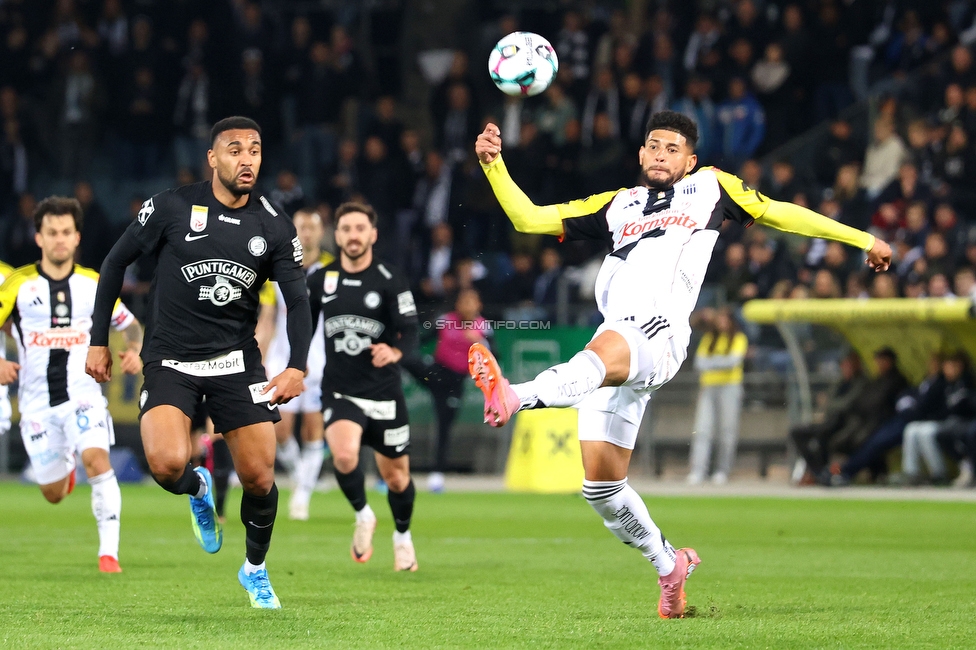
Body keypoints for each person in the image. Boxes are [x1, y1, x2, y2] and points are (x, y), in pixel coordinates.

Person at [468, 111, 892, 619]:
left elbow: (782, 214)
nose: (661, 155)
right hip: (616, 340)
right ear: (641, 153)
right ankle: (669, 564)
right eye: (654, 145)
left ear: (690, 161)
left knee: (599, 352)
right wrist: (493, 165)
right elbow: (528, 218)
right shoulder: (616, 204)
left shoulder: (710, 187)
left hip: (658, 333)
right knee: (601, 488)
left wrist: (863, 239)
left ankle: (514, 395)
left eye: (673, 149)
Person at [85, 116, 312, 609]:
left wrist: (297, 365)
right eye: (235, 149)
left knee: (260, 477)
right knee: (167, 465)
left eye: (254, 150)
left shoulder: (273, 224)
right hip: (171, 358)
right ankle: (197, 486)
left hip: (236, 363)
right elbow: (114, 263)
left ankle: (255, 570)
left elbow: (298, 301)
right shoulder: (171, 206)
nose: (247, 159)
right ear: (212, 158)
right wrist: (97, 340)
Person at [0, 196, 143, 573]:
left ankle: (108, 554)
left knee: (96, 459)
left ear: (77, 237)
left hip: (84, 395)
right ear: (39, 238)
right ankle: (62, 468)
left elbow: (130, 325)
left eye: (66, 232)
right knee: (51, 493)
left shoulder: (93, 283)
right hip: (37, 405)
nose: (59, 239)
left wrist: (133, 350)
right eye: (52, 232)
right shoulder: (18, 284)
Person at [307, 201, 421, 572]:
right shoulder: (321, 280)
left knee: (397, 478)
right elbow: (302, 326)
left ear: (373, 234)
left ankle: (402, 537)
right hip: (340, 389)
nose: (353, 236)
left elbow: (411, 331)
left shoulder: (390, 278)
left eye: (360, 229)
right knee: (343, 456)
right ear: (337, 236)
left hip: (384, 394)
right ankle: (363, 514)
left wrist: (395, 351)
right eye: (346, 229)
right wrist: (296, 363)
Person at [255, 208, 335, 520]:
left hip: (320, 358)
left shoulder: (333, 270)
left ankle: (301, 496)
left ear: (321, 232)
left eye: (312, 227)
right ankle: (302, 475)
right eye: (302, 226)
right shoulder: (277, 266)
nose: (307, 232)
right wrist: (259, 355)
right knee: (282, 429)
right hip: (282, 357)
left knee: (314, 428)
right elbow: (267, 317)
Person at [411, 288, 490, 493]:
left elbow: (495, 355)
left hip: (455, 381)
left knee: (444, 426)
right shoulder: (445, 320)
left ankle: (437, 475)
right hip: (435, 373)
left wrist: (479, 342)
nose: (467, 306)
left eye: (472, 301)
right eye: (464, 301)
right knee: (406, 359)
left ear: (479, 305)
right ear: (457, 304)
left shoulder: (483, 327)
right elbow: (421, 339)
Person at [687, 307, 748, 485]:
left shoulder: (738, 338)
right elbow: (699, 363)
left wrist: (712, 363)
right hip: (708, 387)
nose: (721, 323)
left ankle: (722, 471)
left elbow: (733, 362)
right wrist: (721, 363)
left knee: (727, 431)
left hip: (730, 387)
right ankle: (698, 470)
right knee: (702, 430)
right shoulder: (709, 338)